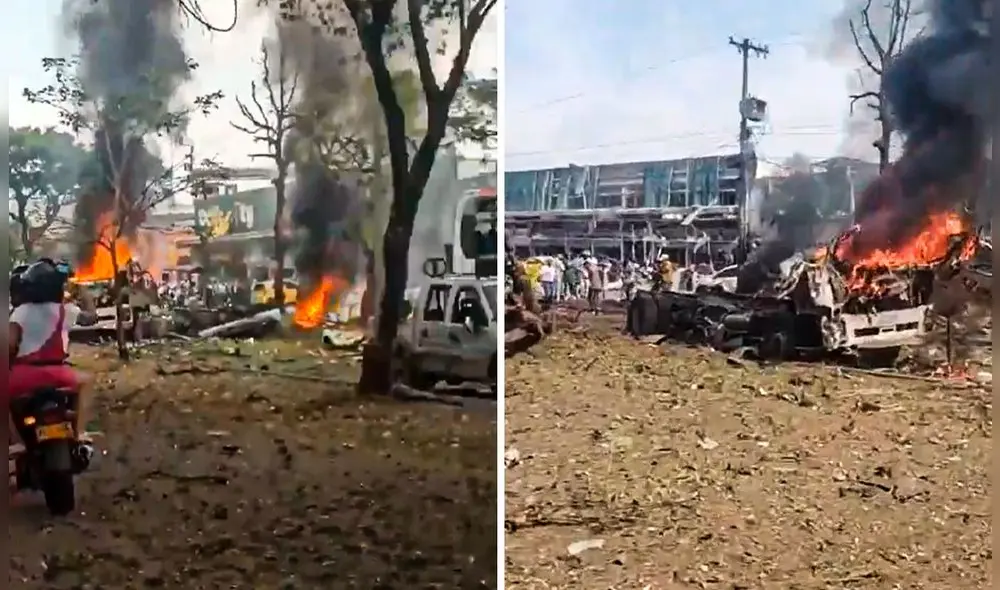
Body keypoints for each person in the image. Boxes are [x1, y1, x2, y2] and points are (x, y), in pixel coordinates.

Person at [8, 260, 90, 451]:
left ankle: (18, 442)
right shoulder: (65, 310)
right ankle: (79, 432)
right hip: (60, 375)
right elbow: (91, 317)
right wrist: (82, 291)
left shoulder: (20, 312)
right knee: (85, 383)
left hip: (24, 377)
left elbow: (10, 345)